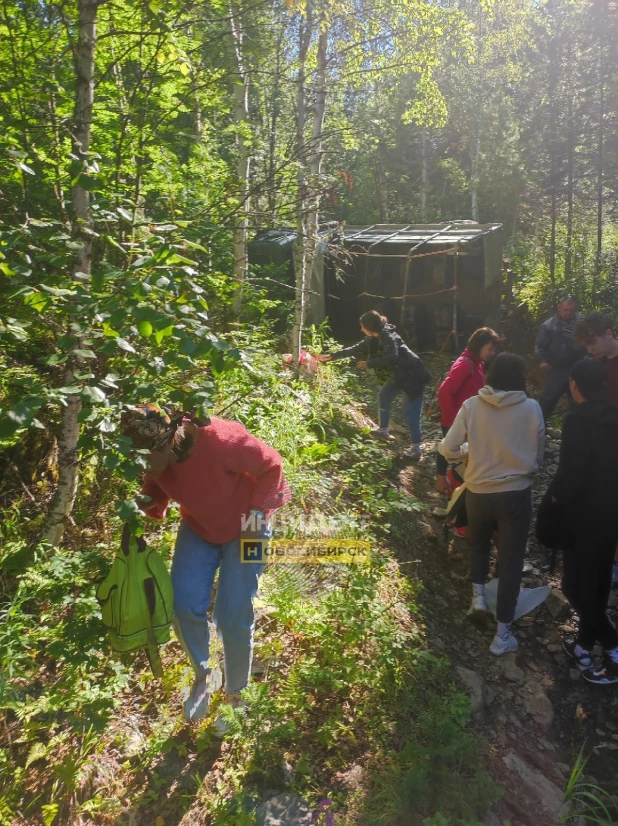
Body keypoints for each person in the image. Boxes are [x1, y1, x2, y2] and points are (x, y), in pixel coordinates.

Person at [120, 403, 291, 730]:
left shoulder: (218, 439)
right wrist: (135, 515)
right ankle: (205, 674)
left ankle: (236, 695)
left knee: (233, 612)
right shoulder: (155, 456)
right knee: (182, 603)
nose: (148, 466)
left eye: (151, 458)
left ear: (170, 440)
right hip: (200, 526)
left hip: (249, 521)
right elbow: (156, 486)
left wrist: (255, 518)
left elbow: (272, 465)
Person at [439, 354, 544, 656]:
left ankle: (478, 599)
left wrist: (469, 454)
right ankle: (502, 636)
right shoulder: (532, 408)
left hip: (478, 491)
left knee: (479, 546)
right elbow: (538, 458)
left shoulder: (472, 405)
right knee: (511, 563)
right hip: (516, 494)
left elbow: (448, 447)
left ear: (491, 376)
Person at [543, 359, 618, 684]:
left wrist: (552, 501)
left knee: (574, 586)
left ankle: (613, 646)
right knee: (598, 584)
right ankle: (585, 644)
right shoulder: (615, 416)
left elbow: (569, 477)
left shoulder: (577, 422)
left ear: (573, 385)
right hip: (611, 517)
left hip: (582, 518)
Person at [318, 310, 431, 460]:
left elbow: (393, 356)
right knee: (384, 395)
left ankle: (417, 448)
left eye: (362, 326)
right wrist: (332, 356)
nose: (361, 329)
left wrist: (369, 363)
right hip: (399, 374)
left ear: (370, 326)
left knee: (410, 412)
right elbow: (354, 349)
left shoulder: (388, 335)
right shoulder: (373, 336)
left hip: (413, 375)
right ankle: (383, 430)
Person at [575, 311, 618, 585]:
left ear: (609, 334)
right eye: (586, 346)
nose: (590, 350)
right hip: (604, 443)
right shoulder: (596, 365)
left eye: (593, 343)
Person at [436, 327, 500, 494]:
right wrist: (452, 422)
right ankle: (441, 480)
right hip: (455, 419)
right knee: (446, 449)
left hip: (467, 420)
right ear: (479, 345)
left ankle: (457, 488)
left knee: (465, 457)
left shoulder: (477, 363)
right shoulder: (465, 364)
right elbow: (444, 392)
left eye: (494, 349)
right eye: (490, 348)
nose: (492, 352)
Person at [535, 295, 585, 424]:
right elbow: (540, 345)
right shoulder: (549, 325)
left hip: (577, 368)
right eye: (565, 310)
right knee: (548, 400)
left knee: (578, 403)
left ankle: (576, 432)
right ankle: (537, 428)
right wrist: (542, 360)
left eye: (571, 311)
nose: (568, 313)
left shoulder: (582, 323)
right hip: (556, 368)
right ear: (559, 308)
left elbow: (590, 342)